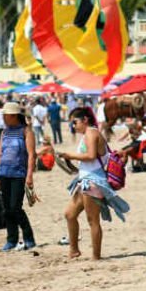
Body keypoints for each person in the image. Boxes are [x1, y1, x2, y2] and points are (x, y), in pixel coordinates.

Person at [58, 107, 130, 260]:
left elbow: (90, 156)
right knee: (69, 214)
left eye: (74, 122)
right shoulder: (88, 134)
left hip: (94, 181)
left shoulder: (91, 133)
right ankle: (74, 250)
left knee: (93, 220)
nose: (73, 126)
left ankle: (96, 256)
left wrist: (70, 155)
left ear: (85, 120)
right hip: (85, 179)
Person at [0, 102, 36, 251]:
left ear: (13, 116)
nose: (3, 118)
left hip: (19, 174)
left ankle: (28, 237)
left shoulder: (26, 132)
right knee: (6, 209)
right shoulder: (4, 132)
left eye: (5, 115)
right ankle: (11, 239)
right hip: (4, 173)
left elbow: (31, 155)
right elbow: (0, 155)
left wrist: (29, 175)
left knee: (15, 208)